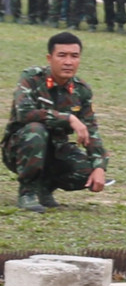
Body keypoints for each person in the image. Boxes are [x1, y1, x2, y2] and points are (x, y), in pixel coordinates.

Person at [3, 32, 108, 212]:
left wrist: (99, 166)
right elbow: (24, 113)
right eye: (62, 55)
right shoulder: (32, 79)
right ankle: (27, 191)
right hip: (22, 148)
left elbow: (91, 130)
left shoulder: (80, 90)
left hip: (56, 150)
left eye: (74, 56)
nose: (68, 62)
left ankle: (44, 188)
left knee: (87, 171)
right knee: (36, 130)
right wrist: (68, 118)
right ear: (49, 58)